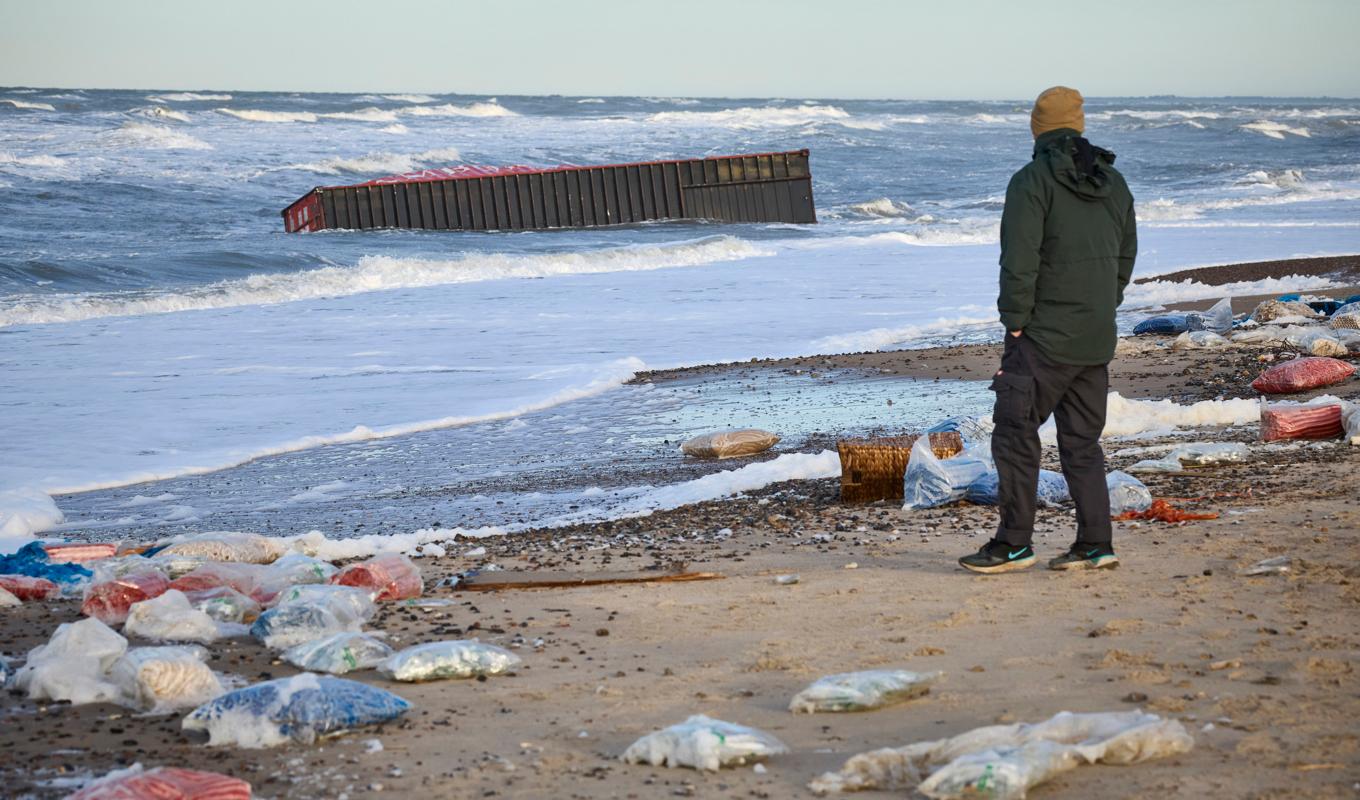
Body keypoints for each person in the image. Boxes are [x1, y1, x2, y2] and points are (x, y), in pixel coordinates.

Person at [959, 86, 1136, 574]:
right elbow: (1125, 259)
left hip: (1042, 339)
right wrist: (1103, 305)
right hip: (1095, 337)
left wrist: (1015, 322)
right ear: (1078, 126)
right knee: (1082, 444)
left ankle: (1014, 543)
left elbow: (1018, 260)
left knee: (1015, 435)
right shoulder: (1114, 183)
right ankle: (1096, 544)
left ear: (1037, 129)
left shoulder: (1032, 181)